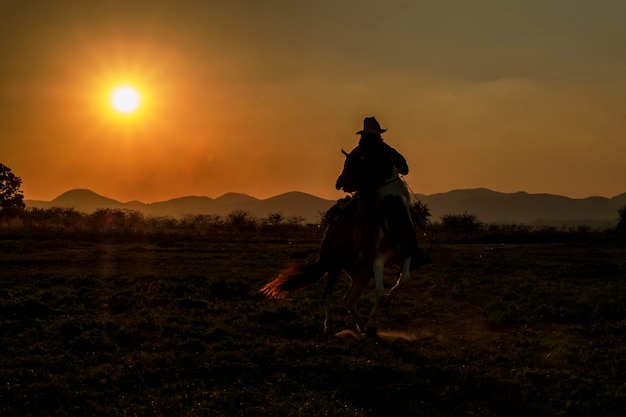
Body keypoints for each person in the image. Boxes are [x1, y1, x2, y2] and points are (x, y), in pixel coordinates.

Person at [334, 116, 417, 263]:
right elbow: (344, 178)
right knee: (369, 217)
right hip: (367, 195)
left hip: (384, 194)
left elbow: (404, 168)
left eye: (376, 134)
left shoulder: (371, 152)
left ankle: (409, 250)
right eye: (374, 134)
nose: (375, 136)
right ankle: (367, 249)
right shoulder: (361, 153)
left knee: (405, 215)